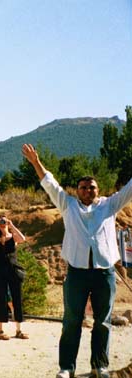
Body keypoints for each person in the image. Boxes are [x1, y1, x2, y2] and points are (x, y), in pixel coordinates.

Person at [22, 143, 132, 378]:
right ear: (77, 190)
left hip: (104, 273)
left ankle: (99, 366)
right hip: (77, 273)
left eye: (91, 187)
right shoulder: (68, 205)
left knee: (102, 322)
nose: (87, 191)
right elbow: (50, 183)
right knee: (71, 321)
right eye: (83, 187)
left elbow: (129, 190)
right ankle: (66, 368)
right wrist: (35, 163)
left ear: (98, 190)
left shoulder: (110, 205)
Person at [0, 216, 28, 341]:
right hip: (0, 272)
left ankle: (19, 330)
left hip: (13, 271)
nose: (3, 224)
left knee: (17, 299)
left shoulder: (12, 237)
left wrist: (11, 225)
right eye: (1, 222)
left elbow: (22, 238)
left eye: (4, 221)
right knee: (1, 299)